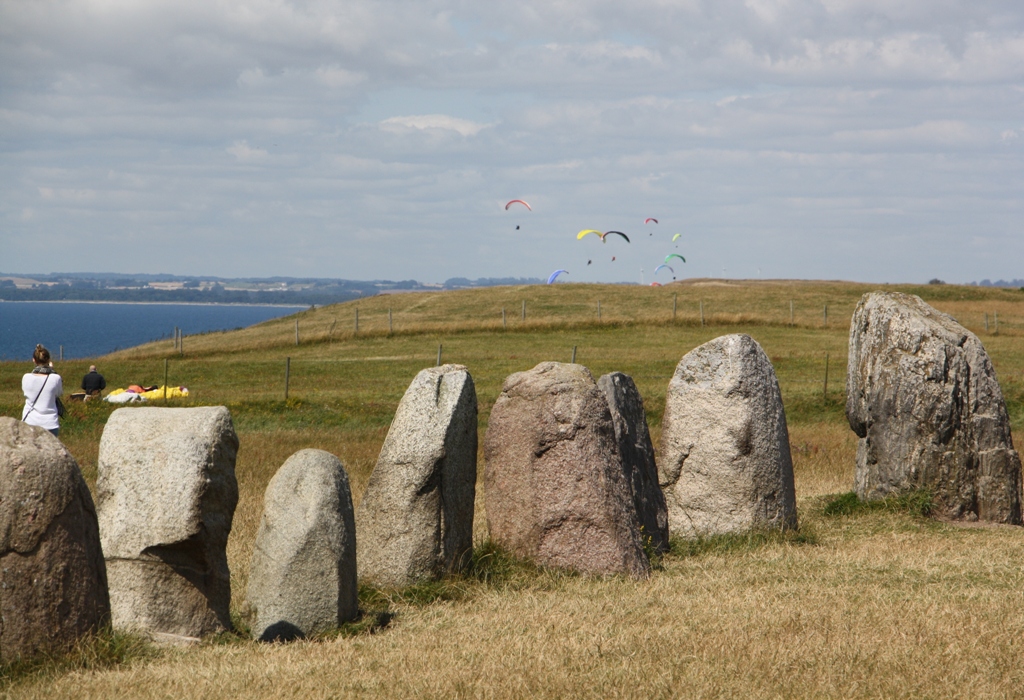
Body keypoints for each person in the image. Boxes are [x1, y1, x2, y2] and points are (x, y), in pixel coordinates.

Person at [22, 344, 63, 437]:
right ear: (48, 360)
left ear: (34, 360)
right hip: (50, 423)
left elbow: (26, 392)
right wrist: (52, 370)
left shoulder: (26, 377)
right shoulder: (55, 378)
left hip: (30, 421)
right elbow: (59, 393)